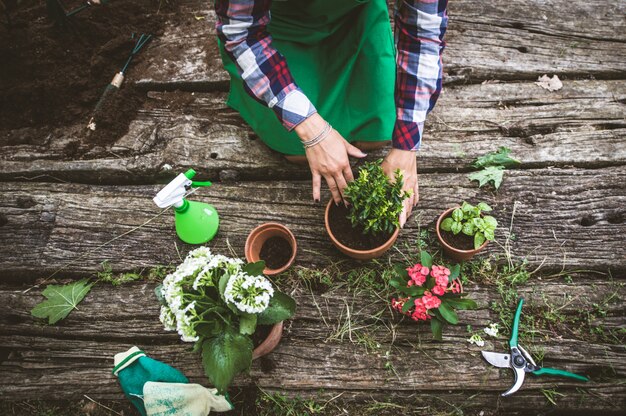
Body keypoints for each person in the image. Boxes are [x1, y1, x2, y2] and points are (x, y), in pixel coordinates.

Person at [214, 0, 448, 227]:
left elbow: (423, 35)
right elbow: (241, 32)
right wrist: (311, 129)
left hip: (356, 19)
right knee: (297, 152)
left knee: (379, 134)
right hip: (279, 30)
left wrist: (407, 148)